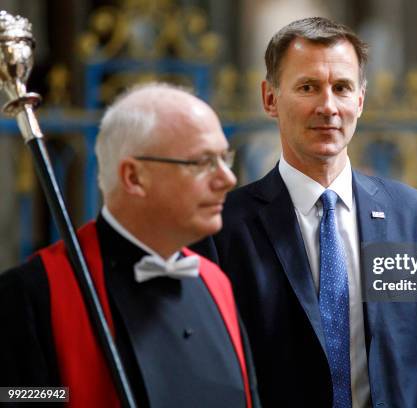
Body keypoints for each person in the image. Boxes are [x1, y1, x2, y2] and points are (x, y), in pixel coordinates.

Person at [192, 17, 417, 408]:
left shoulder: (415, 217)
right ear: (270, 99)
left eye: (341, 88)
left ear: (360, 99)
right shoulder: (223, 227)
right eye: (308, 87)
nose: (328, 106)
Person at [0, 83, 260, 408]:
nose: (228, 178)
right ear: (134, 177)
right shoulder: (33, 293)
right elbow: (19, 397)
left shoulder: (217, 283)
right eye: (203, 162)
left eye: (225, 158)